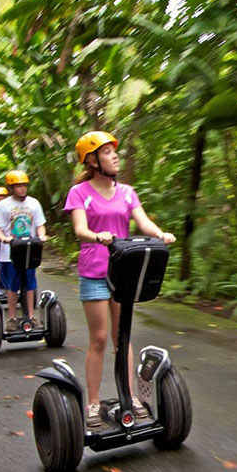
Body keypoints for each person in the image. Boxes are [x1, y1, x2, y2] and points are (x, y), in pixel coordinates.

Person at [65, 130, 176, 429]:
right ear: (92, 160)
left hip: (123, 270)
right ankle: (93, 403)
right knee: (99, 339)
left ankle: (130, 398)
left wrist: (159, 233)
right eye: (107, 152)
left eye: (115, 151)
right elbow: (79, 229)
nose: (115, 156)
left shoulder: (127, 192)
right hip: (94, 271)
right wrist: (97, 236)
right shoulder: (80, 193)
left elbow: (143, 221)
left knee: (122, 336)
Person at [0, 171, 48, 333]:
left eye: (24, 185)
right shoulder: (3, 205)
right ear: (11, 187)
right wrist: (4, 239)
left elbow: (40, 224)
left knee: (30, 284)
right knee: (13, 285)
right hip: (10, 253)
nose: (22, 189)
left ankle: (31, 316)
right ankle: (12, 318)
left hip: (30, 250)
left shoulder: (34, 203)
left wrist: (42, 235)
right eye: (19, 186)